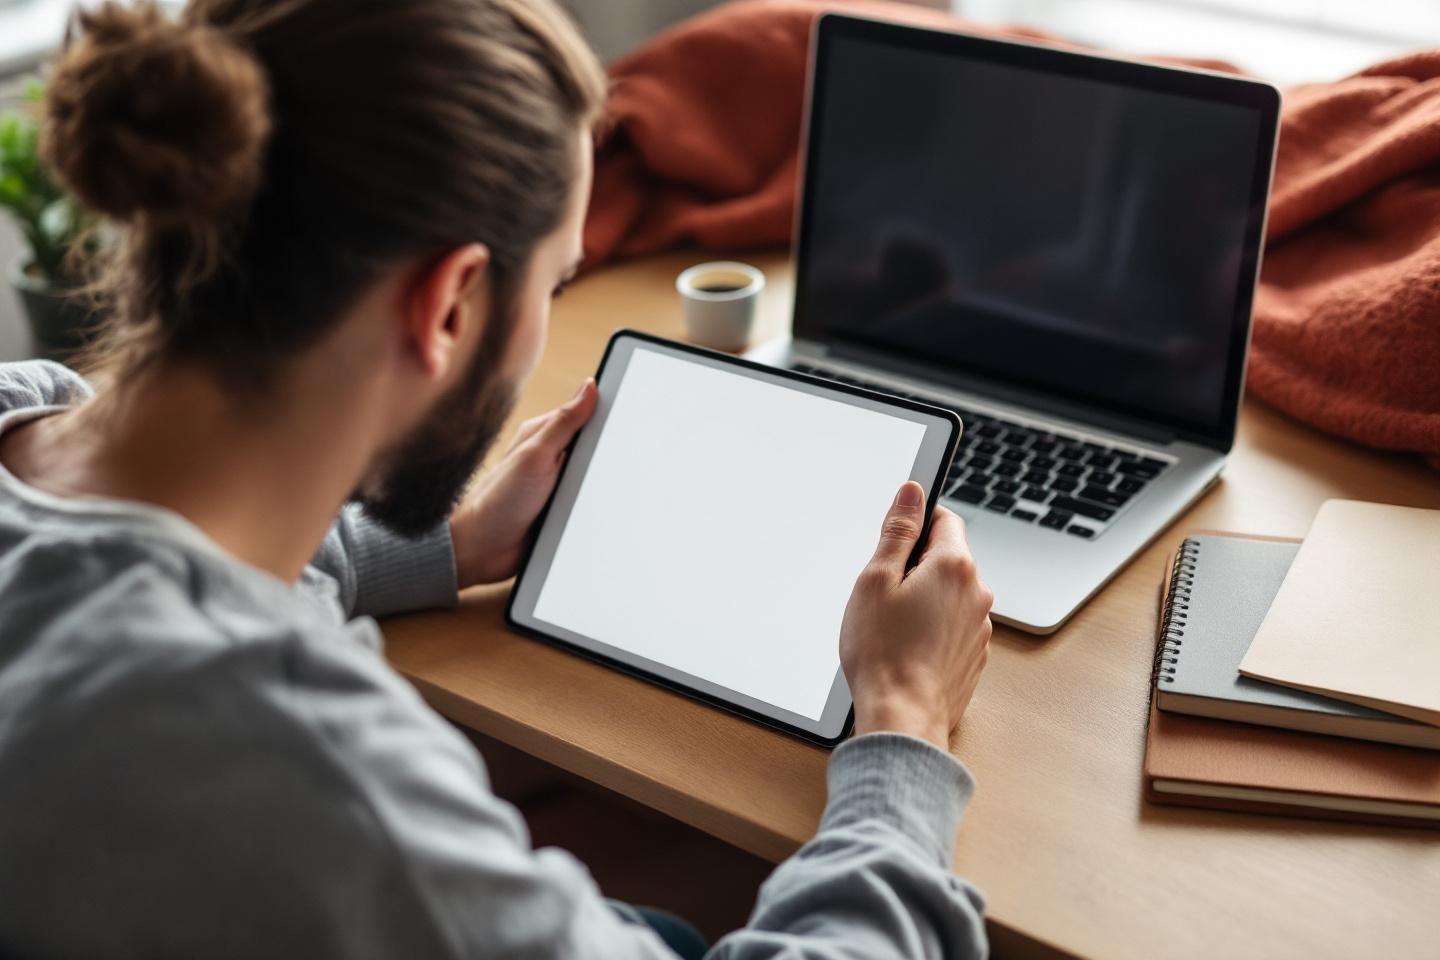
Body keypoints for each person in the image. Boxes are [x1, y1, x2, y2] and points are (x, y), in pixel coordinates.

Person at [0, 0, 995, 957]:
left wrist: (452, 544)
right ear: (449, 303)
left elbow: (155, 564)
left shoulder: (29, 412)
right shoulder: (313, 764)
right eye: (556, 283)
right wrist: (905, 721)